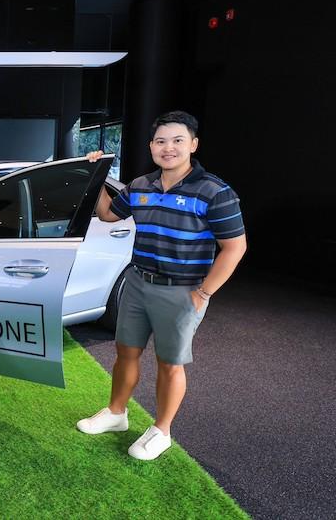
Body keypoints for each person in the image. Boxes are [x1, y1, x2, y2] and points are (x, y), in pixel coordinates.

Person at [77, 111, 247, 460]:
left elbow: (235, 247)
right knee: (126, 352)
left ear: (193, 145)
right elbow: (108, 214)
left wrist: (204, 293)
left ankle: (161, 431)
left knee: (170, 363)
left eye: (177, 140)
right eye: (160, 141)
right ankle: (116, 413)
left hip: (182, 290)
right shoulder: (141, 185)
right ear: (151, 146)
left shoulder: (215, 191)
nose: (168, 147)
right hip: (137, 282)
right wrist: (97, 176)